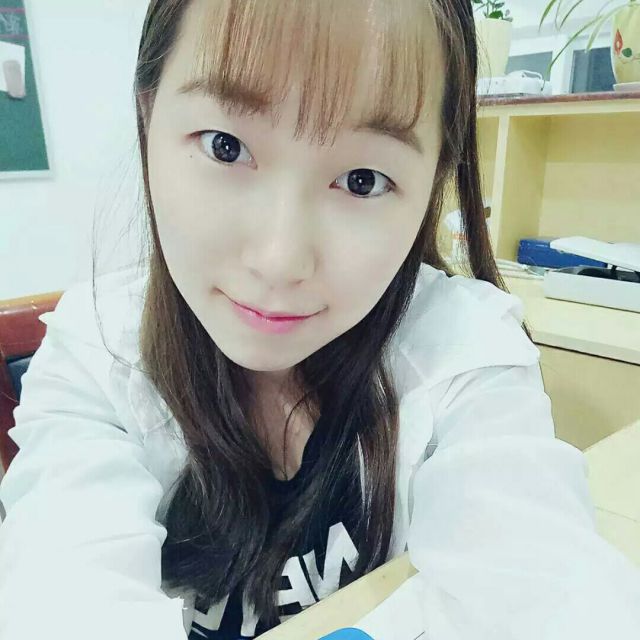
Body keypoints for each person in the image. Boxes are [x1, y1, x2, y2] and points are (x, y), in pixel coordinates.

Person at [1, 1, 640, 638]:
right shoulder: (98, 355)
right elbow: (66, 599)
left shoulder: (461, 350)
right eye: (226, 147)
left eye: (362, 180)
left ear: (433, 180)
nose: (280, 260)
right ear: (148, 117)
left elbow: (544, 587)